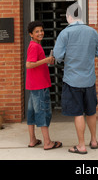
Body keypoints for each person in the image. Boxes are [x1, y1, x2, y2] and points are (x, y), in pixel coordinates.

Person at [53, 3, 98, 154]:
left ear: (69, 17)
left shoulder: (65, 33)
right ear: (81, 16)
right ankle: (93, 141)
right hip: (89, 79)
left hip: (72, 80)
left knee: (78, 113)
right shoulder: (92, 32)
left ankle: (81, 145)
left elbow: (58, 56)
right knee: (91, 111)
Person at [25, 21, 62, 150]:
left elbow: (35, 63)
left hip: (33, 85)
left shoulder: (35, 45)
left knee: (31, 113)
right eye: (36, 31)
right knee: (43, 112)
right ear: (31, 34)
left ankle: (32, 140)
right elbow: (29, 64)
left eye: (41, 30)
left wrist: (46, 61)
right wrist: (46, 60)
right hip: (39, 85)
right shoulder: (34, 46)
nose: (40, 33)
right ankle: (47, 142)